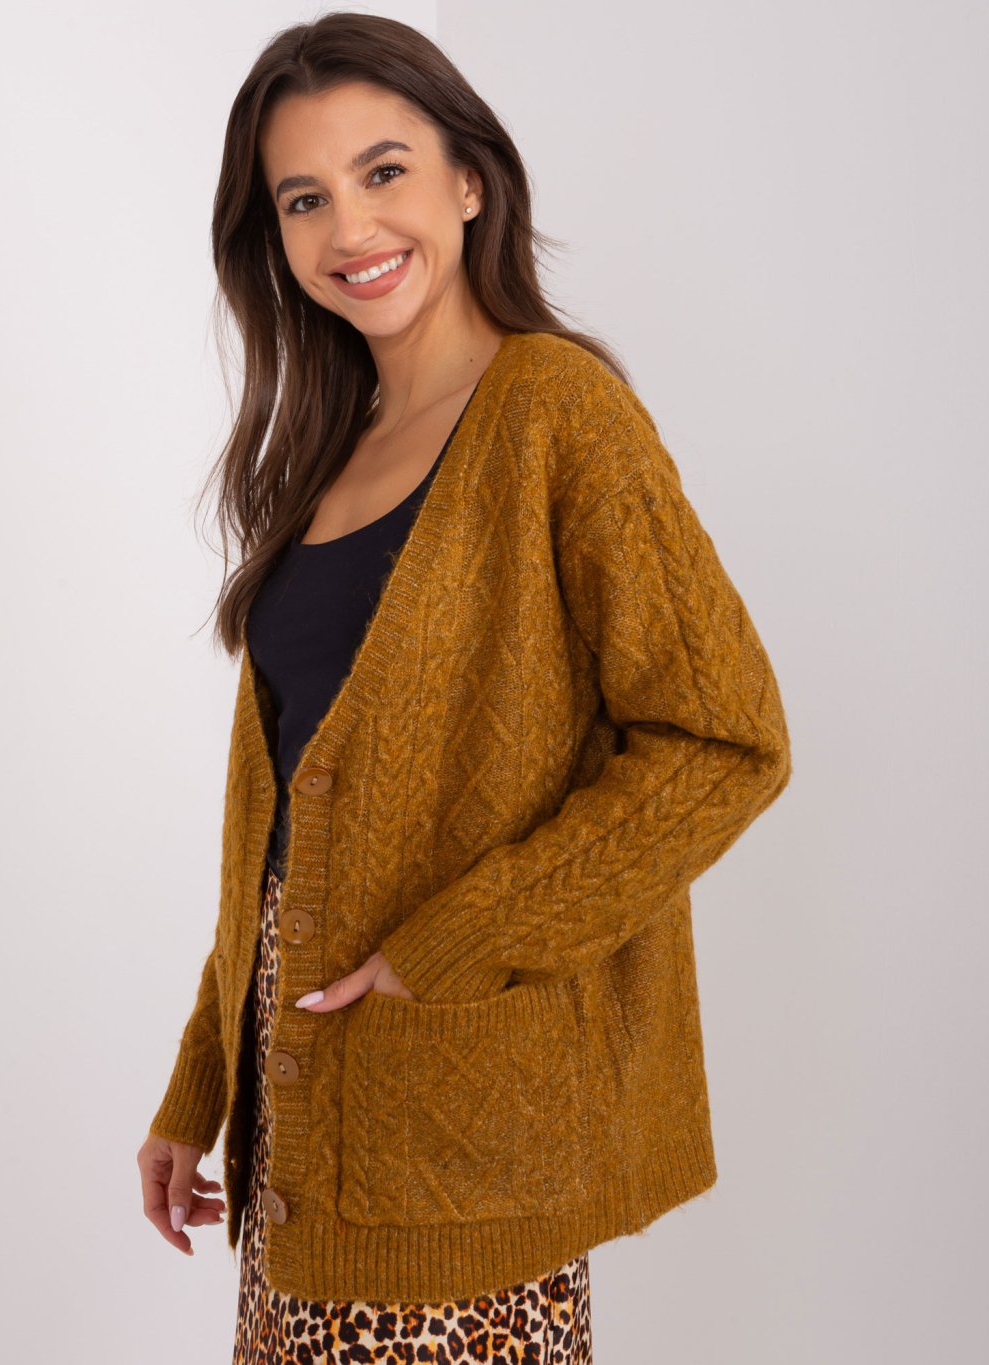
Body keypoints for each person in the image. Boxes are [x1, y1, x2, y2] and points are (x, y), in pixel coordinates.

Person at [136, 13, 792, 1364]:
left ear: (471, 180)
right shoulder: (327, 454)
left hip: (462, 1157)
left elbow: (727, 742)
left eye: (384, 172)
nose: (349, 227)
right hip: (300, 1153)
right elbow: (286, 836)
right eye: (303, 198)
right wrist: (198, 1087)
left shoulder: (557, 412)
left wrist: (455, 943)